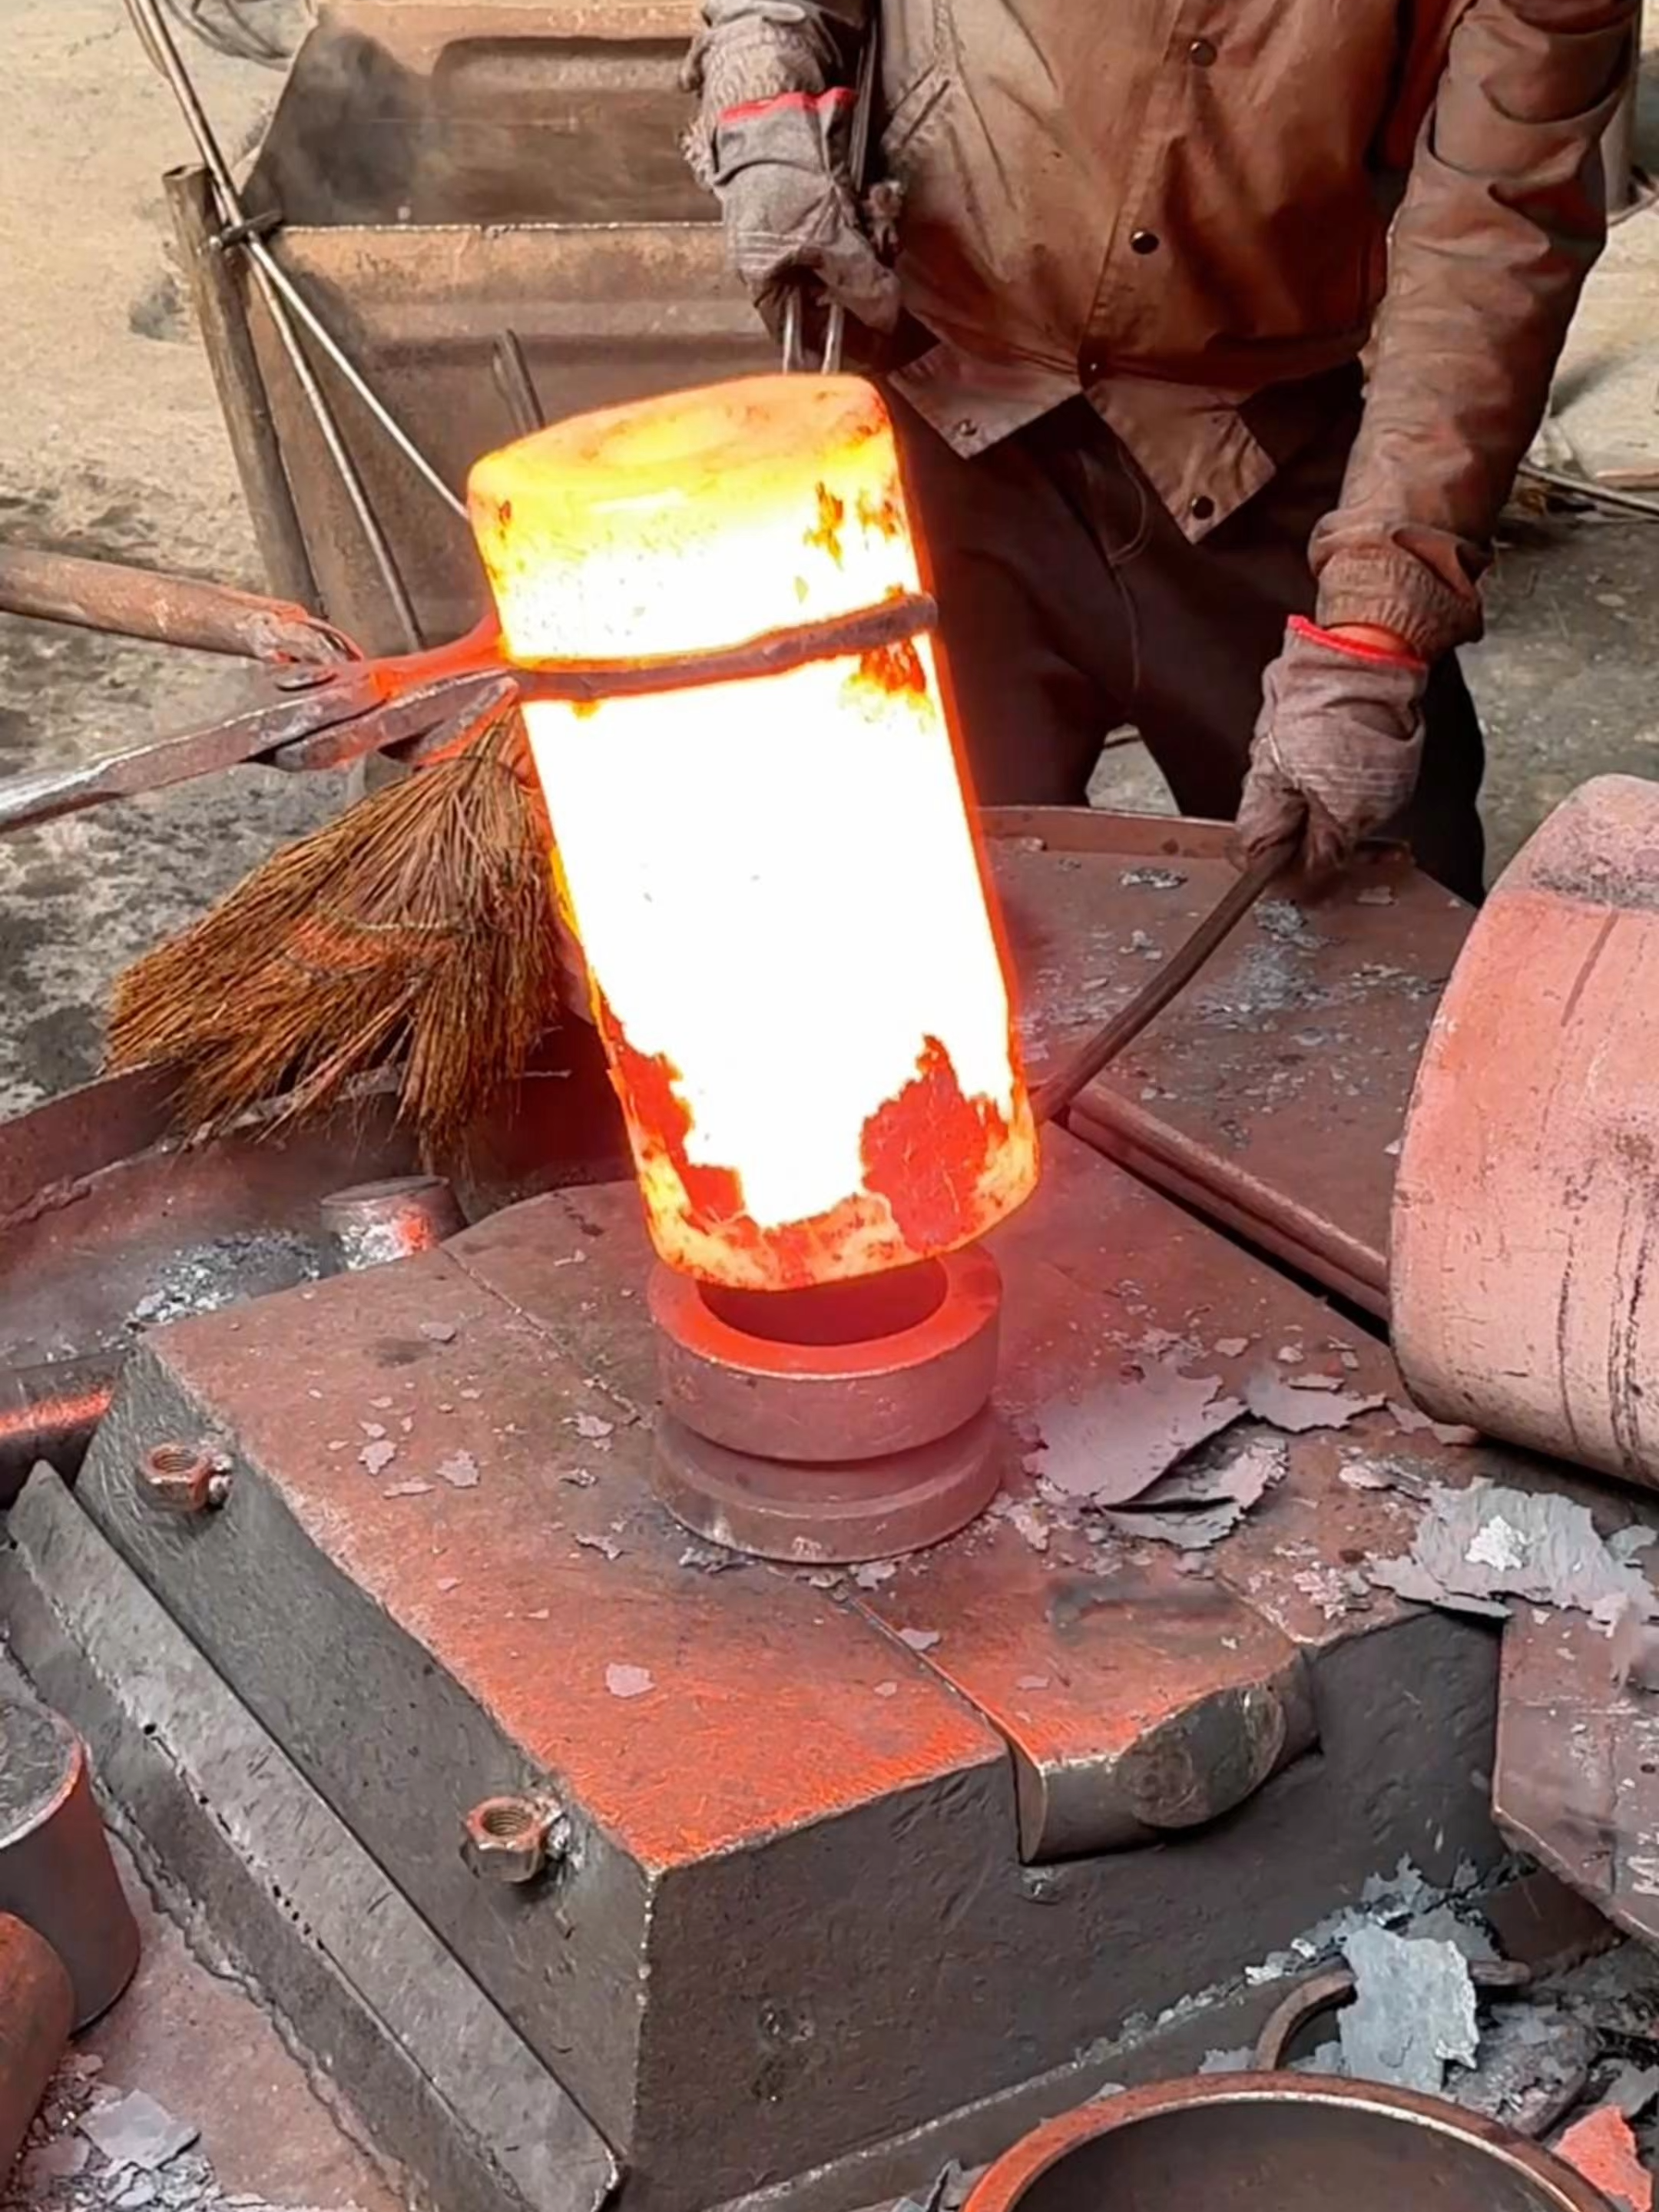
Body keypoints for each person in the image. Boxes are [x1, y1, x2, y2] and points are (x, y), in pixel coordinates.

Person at [684, 0, 1637, 903]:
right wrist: (765, 97)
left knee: (1392, 924)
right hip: (948, 399)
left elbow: (1490, 234)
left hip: (1253, 444)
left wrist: (1375, 621)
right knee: (906, 921)